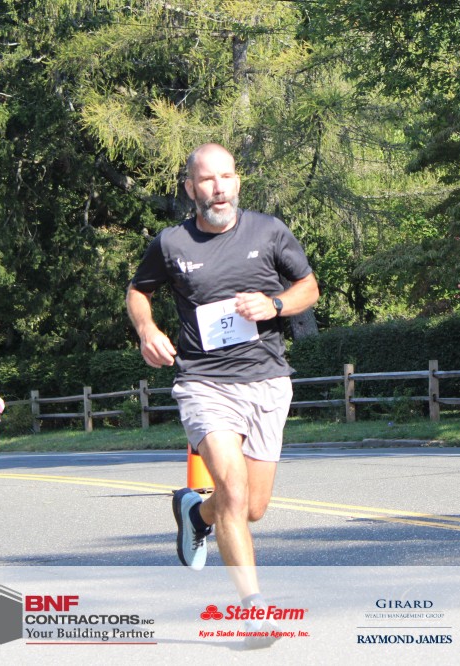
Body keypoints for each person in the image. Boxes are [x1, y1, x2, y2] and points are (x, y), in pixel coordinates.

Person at [125, 143, 319, 645]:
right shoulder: (171, 243)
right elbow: (139, 291)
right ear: (191, 188)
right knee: (231, 491)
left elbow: (308, 287)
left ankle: (196, 513)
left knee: (251, 508)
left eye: (226, 177)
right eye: (207, 180)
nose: (218, 188)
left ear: (237, 181)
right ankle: (254, 613)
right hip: (203, 383)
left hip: (267, 381)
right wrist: (147, 329)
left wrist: (276, 304)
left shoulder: (268, 231)